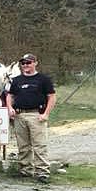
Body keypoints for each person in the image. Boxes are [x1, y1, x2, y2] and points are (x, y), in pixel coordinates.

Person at [6, 53, 56, 183]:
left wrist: (46, 113)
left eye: (28, 62)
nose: (26, 65)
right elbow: (10, 95)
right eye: (23, 63)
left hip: (36, 115)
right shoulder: (17, 80)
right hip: (19, 115)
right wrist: (10, 108)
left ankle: (42, 172)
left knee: (39, 145)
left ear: (35, 63)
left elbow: (51, 97)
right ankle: (25, 170)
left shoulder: (43, 79)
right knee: (23, 145)